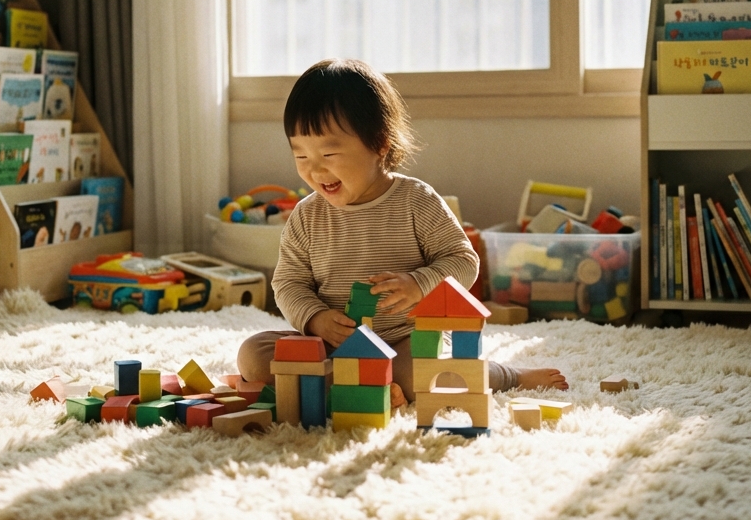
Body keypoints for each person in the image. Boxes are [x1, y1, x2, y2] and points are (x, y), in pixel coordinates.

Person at [236, 58, 568, 405]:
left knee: (438, 371)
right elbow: (288, 284)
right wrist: (316, 319)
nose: (315, 170)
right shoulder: (306, 217)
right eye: (300, 156)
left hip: (407, 342)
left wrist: (420, 284)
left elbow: (463, 260)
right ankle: (358, 387)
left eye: (329, 152)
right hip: (334, 346)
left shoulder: (415, 201)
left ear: (380, 143)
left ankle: (505, 375)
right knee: (252, 354)